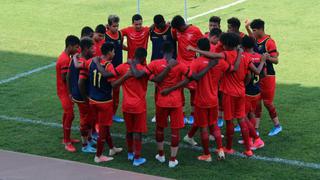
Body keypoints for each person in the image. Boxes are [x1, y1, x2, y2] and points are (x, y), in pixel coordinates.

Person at [187, 33, 266, 157]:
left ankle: (228, 147)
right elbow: (252, 74)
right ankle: (248, 149)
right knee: (241, 119)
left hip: (228, 93)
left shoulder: (225, 55)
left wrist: (195, 49)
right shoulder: (245, 56)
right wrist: (262, 61)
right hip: (241, 91)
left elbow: (213, 55)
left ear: (227, 44)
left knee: (229, 121)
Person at [79, 42, 123, 163]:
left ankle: (112, 148)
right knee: (103, 130)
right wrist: (125, 77)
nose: (114, 53)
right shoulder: (108, 66)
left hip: (93, 100)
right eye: (113, 51)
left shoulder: (92, 61)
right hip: (104, 102)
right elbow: (113, 85)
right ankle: (98, 156)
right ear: (109, 53)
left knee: (104, 126)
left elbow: (81, 66)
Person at [245, 19, 282, 136]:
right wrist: (247, 27)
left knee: (267, 102)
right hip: (259, 74)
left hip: (268, 75)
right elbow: (251, 38)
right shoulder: (256, 39)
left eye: (254, 30)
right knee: (257, 103)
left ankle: (277, 126)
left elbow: (276, 60)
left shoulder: (269, 42)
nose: (253, 33)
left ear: (261, 29)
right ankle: (255, 128)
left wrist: (265, 58)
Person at [171, 15, 203, 124]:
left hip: (192, 65)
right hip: (180, 66)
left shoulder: (195, 30)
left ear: (181, 26)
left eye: (177, 29)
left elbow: (203, 45)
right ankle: (182, 115)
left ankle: (193, 115)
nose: (176, 31)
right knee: (179, 90)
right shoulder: (176, 30)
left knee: (193, 91)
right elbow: (174, 36)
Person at [67, 37, 97, 153]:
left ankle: (89, 139)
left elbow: (69, 76)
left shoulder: (75, 58)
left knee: (90, 117)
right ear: (85, 49)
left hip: (80, 94)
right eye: (92, 47)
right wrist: (85, 98)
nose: (94, 49)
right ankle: (85, 145)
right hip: (82, 96)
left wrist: (70, 91)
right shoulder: (83, 62)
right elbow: (80, 82)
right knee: (85, 120)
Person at [149, 14, 177, 122]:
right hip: (157, 65)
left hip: (171, 64)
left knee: (171, 88)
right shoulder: (151, 31)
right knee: (158, 89)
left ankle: (170, 113)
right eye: (158, 24)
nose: (161, 26)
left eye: (162, 23)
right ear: (155, 24)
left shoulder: (171, 30)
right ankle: (158, 113)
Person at [240, 35, 266, 150]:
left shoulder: (243, 57)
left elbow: (247, 76)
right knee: (251, 114)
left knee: (243, 116)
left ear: (243, 46)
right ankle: (250, 137)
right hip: (257, 91)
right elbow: (263, 74)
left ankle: (255, 139)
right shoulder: (260, 57)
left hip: (247, 92)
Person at [56, 35, 80, 152]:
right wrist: (71, 92)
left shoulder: (66, 56)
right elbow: (65, 77)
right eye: (76, 47)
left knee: (67, 114)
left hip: (64, 90)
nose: (77, 49)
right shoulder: (65, 60)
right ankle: (66, 141)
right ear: (70, 46)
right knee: (70, 115)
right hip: (65, 92)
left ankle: (67, 138)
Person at [105, 15, 125, 123]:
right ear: (108, 26)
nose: (116, 28)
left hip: (119, 69)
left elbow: (120, 46)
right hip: (108, 70)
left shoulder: (120, 34)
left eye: (117, 26)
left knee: (116, 93)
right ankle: (106, 114)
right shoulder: (105, 36)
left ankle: (113, 114)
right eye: (114, 26)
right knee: (107, 93)